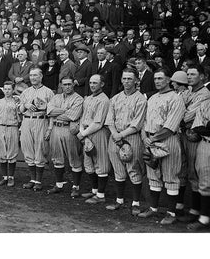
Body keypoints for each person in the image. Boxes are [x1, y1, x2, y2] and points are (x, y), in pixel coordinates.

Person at [138, 68, 186, 225]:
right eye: (156, 79)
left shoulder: (175, 98)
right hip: (151, 139)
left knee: (170, 176)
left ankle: (171, 213)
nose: (157, 81)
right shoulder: (152, 98)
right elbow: (144, 121)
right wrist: (145, 137)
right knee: (153, 176)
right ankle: (153, 209)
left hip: (168, 141)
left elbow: (171, 125)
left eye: (161, 78)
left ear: (169, 80)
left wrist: (152, 139)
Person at [105, 68, 147, 215]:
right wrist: (115, 134)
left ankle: (136, 203)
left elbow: (137, 123)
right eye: (124, 78)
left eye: (130, 79)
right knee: (118, 169)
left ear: (136, 80)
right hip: (114, 136)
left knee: (133, 168)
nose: (127, 82)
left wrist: (120, 134)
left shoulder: (140, 98)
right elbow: (109, 119)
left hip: (131, 136)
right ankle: (119, 200)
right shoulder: (115, 98)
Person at [176, 64, 210, 222]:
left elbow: (187, 116)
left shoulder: (205, 94)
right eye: (187, 74)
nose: (188, 77)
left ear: (202, 77)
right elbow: (175, 109)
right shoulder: (187, 91)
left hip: (194, 134)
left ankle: (196, 211)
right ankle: (179, 206)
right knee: (182, 168)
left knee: (194, 171)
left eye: (193, 74)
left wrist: (177, 115)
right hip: (181, 132)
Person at [45, 75, 84, 197]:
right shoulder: (56, 97)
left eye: (69, 84)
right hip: (56, 129)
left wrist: (57, 112)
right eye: (65, 84)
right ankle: (59, 185)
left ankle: (76, 187)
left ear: (73, 84)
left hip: (69, 130)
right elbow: (49, 111)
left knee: (74, 159)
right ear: (61, 85)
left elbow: (73, 116)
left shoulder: (78, 99)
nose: (67, 86)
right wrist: (65, 110)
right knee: (57, 158)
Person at [77, 74, 111, 204]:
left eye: (95, 83)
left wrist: (83, 133)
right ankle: (95, 190)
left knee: (100, 162)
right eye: (90, 82)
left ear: (102, 84)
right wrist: (82, 132)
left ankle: (101, 195)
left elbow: (98, 123)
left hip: (98, 132)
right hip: (86, 131)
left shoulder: (104, 100)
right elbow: (83, 117)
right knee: (89, 162)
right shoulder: (88, 98)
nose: (92, 85)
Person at [19, 67, 54, 190]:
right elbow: (20, 109)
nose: (33, 78)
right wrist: (25, 104)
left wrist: (50, 129)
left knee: (40, 149)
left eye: (35, 75)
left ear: (41, 76)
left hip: (41, 121)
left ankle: (38, 181)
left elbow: (52, 112)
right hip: (27, 120)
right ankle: (32, 179)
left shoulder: (48, 92)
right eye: (31, 75)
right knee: (28, 149)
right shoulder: (26, 91)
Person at [186, 97, 210, 230]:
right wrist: (207, 126)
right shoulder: (206, 103)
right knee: (204, 181)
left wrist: (207, 126)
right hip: (206, 144)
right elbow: (197, 127)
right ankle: (204, 218)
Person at [0, 81, 21, 187]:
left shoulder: (16, 102)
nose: (7, 91)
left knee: (12, 152)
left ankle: (11, 177)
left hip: (12, 127)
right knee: (2, 153)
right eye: (5, 89)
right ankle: (4, 177)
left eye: (9, 89)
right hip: (2, 127)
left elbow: (19, 117)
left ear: (13, 90)